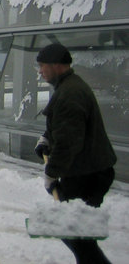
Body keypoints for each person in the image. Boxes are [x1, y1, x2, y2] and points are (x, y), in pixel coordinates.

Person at [34, 43, 117, 264]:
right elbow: (64, 126)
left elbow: (69, 142)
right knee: (76, 233)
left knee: (76, 234)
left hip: (87, 176)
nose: (40, 71)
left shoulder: (69, 93)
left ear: (56, 65)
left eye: (42, 65)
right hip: (89, 171)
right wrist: (46, 139)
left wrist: (51, 174)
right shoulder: (69, 87)